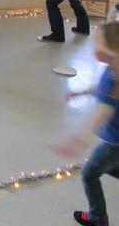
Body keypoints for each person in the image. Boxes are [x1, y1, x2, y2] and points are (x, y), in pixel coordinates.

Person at [52, 21, 119, 226]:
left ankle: (98, 219)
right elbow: (100, 88)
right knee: (109, 167)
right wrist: (80, 92)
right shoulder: (113, 69)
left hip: (114, 143)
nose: (93, 48)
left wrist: (76, 141)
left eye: (96, 45)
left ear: (108, 51)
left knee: (90, 173)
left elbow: (101, 114)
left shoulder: (114, 79)